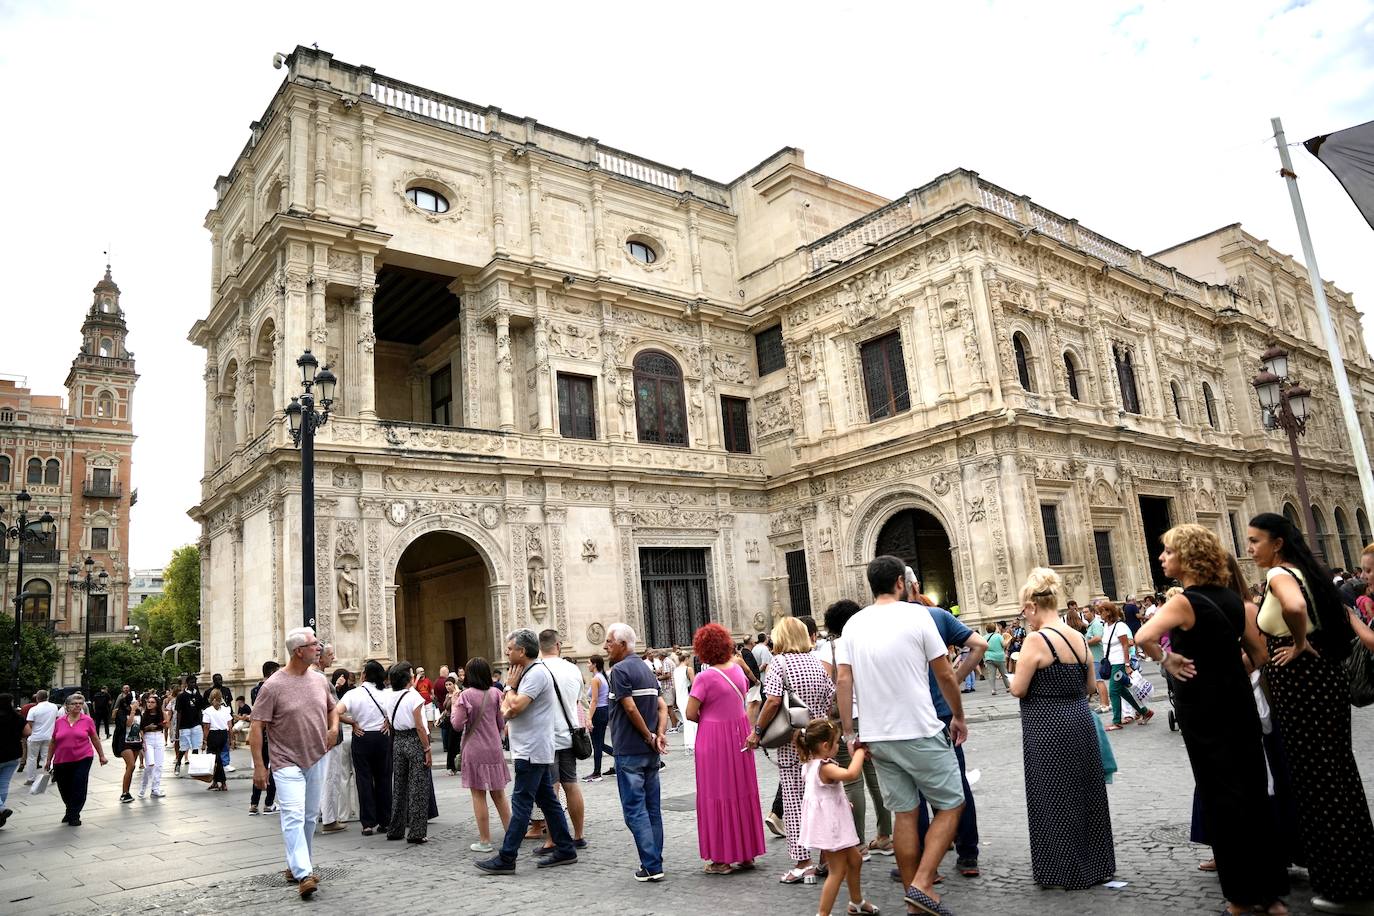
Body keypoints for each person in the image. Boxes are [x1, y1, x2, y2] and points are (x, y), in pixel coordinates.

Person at [1135, 525, 1289, 916]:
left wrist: (1167, 659)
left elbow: (1143, 637)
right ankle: (1272, 897)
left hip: (1203, 709)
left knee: (1222, 797)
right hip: (1238, 702)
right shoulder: (1234, 600)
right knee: (1254, 792)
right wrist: (1226, 668)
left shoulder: (1183, 602)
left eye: (1168, 551)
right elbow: (1259, 653)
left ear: (1186, 557)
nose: (1162, 558)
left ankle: (1239, 899)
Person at [1248, 512, 1374, 911]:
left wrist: (1299, 641)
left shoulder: (1279, 576)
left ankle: (1342, 886)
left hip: (1301, 684)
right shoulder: (1307, 571)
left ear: (1277, 543)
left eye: (1255, 541)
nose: (1250, 549)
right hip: (1321, 683)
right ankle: (1358, 873)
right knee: (1336, 776)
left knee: (1317, 782)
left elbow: (1295, 607)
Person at [836, 555, 966, 916]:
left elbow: (843, 680)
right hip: (919, 729)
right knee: (952, 803)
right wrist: (958, 715)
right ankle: (923, 884)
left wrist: (850, 732)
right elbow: (945, 674)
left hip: (877, 736)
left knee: (905, 815)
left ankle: (914, 902)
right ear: (900, 582)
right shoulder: (917, 615)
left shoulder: (853, 625)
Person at [1010, 568, 1115, 890]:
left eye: (1024, 610)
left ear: (1032, 606)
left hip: (1047, 726)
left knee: (1053, 796)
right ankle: (1097, 864)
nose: (1024, 616)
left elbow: (1018, 689)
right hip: (1080, 721)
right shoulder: (1079, 638)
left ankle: (1063, 869)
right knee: (1087, 793)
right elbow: (1089, 687)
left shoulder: (1036, 640)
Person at [475, 628, 578, 874]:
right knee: (548, 801)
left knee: (521, 803)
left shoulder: (536, 674)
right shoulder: (529, 672)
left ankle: (507, 857)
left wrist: (510, 688)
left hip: (532, 749)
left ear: (522, 651)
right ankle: (565, 848)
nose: (506, 652)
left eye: (510, 649)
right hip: (531, 748)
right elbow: (505, 710)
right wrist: (510, 704)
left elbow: (516, 706)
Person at [746, 616, 835, 885]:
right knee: (820, 799)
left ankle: (802, 863)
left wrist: (757, 731)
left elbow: (772, 701)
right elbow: (830, 697)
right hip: (818, 741)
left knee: (795, 802)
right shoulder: (817, 663)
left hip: (791, 742)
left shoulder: (779, 663)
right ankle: (825, 859)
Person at [250, 626, 337, 900]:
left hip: (317, 756)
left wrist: (333, 729)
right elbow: (256, 726)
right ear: (299, 651)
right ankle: (303, 873)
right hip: (285, 760)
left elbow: (333, 707)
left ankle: (297, 865)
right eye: (314, 644)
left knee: (310, 816)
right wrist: (258, 766)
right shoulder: (273, 686)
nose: (319, 648)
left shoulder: (320, 680)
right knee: (293, 815)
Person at [913, 581, 987, 881]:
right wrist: (955, 681)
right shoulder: (938, 617)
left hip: (908, 717)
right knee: (956, 782)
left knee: (914, 790)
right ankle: (967, 853)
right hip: (942, 713)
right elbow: (979, 644)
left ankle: (920, 859)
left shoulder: (884, 623)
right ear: (913, 586)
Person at [686, 622, 765, 874]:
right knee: (742, 790)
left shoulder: (704, 677)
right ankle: (746, 853)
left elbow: (689, 713)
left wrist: (708, 720)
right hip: (739, 733)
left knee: (716, 793)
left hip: (713, 738)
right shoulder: (737, 671)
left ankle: (721, 859)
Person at [820, 599, 894, 859]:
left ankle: (858, 843)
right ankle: (885, 836)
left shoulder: (830, 649)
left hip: (845, 722)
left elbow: (828, 688)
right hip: (872, 717)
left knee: (852, 782)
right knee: (876, 779)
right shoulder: (868, 643)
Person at [604, 622, 669, 882]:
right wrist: (659, 735)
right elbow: (662, 707)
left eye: (609, 641)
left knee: (635, 810)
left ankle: (651, 865)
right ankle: (655, 861)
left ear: (622, 644)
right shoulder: (646, 668)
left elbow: (630, 708)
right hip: (650, 751)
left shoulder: (619, 671)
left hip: (630, 749)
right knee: (652, 808)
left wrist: (648, 735)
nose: (605, 646)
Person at [795, 718, 878, 916]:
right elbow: (851, 773)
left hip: (834, 822)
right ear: (825, 746)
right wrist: (859, 751)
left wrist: (839, 802)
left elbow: (822, 794)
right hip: (831, 827)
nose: (839, 744)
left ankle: (856, 903)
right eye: (836, 741)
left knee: (855, 860)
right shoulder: (825, 767)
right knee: (837, 871)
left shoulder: (811, 764)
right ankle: (823, 913)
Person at [530, 629, 589, 854]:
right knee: (571, 784)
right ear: (558, 645)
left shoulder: (537, 670)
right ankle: (578, 835)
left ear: (540, 646)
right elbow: (577, 699)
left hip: (546, 737)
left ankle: (552, 839)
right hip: (570, 735)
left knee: (550, 789)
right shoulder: (573, 669)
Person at [451, 656, 510, 852]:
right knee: (499, 795)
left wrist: (454, 705)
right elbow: (501, 723)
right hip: (494, 747)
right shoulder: (495, 693)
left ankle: (485, 840)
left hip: (474, 749)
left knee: (478, 795)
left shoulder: (465, 696)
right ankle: (511, 835)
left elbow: (457, 725)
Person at [337, 660, 391, 834]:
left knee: (364, 779)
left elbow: (336, 711)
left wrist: (352, 722)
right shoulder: (387, 693)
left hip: (362, 736)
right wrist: (388, 722)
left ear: (364, 675)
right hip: (382, 737)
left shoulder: (354, 694)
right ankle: (385, 820)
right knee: (383, 779)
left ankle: (368, 823)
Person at [383, 661, 432, 844]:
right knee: (418, 786)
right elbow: (420, 726)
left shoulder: (389, 697)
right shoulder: (414, 697)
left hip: (398, 741)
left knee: (399, 786)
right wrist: (427, 748)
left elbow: (388, 719)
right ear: (408, 679)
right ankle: (417, 832)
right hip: (414, 740)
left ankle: (395, 829)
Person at [46, 693, 107, 826]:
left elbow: (95, 738)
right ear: (67, 706)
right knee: (64, 788)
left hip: (83, 757)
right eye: (74, 703)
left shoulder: (87, 721)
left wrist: (101, 755)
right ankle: (70, 810)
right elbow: (53, 741)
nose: (78, 705)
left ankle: (74, 815)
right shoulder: (59, 721)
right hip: (61, 760)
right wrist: (48, 760)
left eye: (80, 703)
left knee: (79, 785)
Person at [1099, 601, 1150, 730]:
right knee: (1122, 691)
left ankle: (1116, 721)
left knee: (1113, 691)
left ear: (1109, 612)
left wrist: (1127, 664)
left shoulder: (1120, 626)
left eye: (1101, 611)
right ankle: (1145, 711)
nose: (1100, 614)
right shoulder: (1106, 626)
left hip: (1120, 662)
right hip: (1111, 662)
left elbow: (1125, 645)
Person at [320, 666, 356, 832]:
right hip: (338, 734)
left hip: (343, 734)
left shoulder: (351, 691)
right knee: (338, 776)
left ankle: (342, 812)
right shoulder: (332, 688)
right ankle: (336, 814)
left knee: (342, 776)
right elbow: (333, 710)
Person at [249, 661, 281, 815]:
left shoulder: (255, 690)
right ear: (272, 672)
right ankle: (269, 803)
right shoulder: (272, 688)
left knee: (260, 768)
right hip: (271, 735)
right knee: (273, 770)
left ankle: (254, 803)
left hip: (260, 735)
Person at [584, 655, 612, 782]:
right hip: (604, 710)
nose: (587, 665)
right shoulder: (603, 677)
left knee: (597, 743)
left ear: (594, 664)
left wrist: (589, 717)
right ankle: (617, 755)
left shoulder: (596, 679)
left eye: (588, 663)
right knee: (599, 743)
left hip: (598, 711)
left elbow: (594, 700)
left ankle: (597, 772)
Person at [21, 689, 58, 782]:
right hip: (49, 736)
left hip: (35, 736)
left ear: (37, 698)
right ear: (47, 697)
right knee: (47, 756)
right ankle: (49, 772)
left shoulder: (33, 709)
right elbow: (56, 719)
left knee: (32, 757)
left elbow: (29, 723)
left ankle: (31, 778)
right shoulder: (54, 707)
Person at [173, 675, 206, 777]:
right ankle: (178, 763)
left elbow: (200, 711)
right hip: (184, 725)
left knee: (196, 746)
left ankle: (194, 767)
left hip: (196, 724)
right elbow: (179, 713)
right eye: (191, 682)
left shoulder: (198, 695)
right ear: (187, 683)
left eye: (194, 682)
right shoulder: (181, 696)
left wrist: (201, 724)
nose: (193, 684)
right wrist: (177, 729)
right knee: (184, 746)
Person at [201, 689, 233, 791]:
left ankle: (223, 782)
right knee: (217, 759)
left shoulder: (208, 711)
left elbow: (206, 727)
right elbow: (230, 726)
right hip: (223, 734)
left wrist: (204, 740)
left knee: (216, 759)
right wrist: (231, 739)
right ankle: (215, 782)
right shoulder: (226, 709)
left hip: (213, 735)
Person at [138, 691, 168, 799]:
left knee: (158, 765)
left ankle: (155, 788)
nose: (149, 704)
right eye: (148, 702)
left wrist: (164, 723)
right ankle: (143, 787)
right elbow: (141, 729)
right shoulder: (144, 715)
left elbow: (166, 725)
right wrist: (147, 729)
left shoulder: (161, 713)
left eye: (152, 702)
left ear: (157, 704)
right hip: (148, 738)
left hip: (159, 738)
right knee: (150, 764)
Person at [113, 693, 142, 803]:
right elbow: (128, 724)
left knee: (130, 768)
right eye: (135, 702)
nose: (137, 703)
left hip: (136, 742)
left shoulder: (139, 712)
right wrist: (133, 711)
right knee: (131, 765)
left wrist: (143, 739)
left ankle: (127, 791)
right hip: (124, 742)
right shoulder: (121, 712)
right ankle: (124, 793)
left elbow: (140, 726)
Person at [1081, 605, 1110, 712]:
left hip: (1097, 657)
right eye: (1083, 612)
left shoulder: (1096, 624)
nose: (1084, 614)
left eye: (1086, 612)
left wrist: (1084, 642)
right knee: (1097, 681)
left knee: (1099, 681)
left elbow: (1098, 638)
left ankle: (1105, 704)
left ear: (1093, 612)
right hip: (1093, 657)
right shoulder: (1090, 625)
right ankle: (1103, 703)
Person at [0, 694, 22, 828]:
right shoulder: (16, 717)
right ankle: (1, 812)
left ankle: (1, 809)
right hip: (12, 755)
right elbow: (27, 732)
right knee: (3, 784)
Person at [672, 649, 696, 752]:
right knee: (691, 722)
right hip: (687, 697)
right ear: (686, 658)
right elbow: (695, 684)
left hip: (679, 697)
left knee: (687, 721)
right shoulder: (688, 669)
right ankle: (691, 744)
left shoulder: (676, 670)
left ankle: (689, 744)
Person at [983, 623, 1010, 695]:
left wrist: (984, 657)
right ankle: (1008, 687)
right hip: (999, 657)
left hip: (989, 657)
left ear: (986, 629)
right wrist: (1007, 640)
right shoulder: (998, 636)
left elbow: (982, 648)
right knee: (1004, 673)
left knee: (991, 674)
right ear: (995, 629)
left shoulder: (984, 637)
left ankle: (993, 690)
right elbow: (1004, 645)